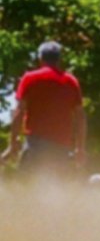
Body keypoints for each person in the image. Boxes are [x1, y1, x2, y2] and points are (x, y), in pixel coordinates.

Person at [9, 42, 84, 179]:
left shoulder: (30, 78)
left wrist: (13, 144)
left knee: (27, 184)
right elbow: (80, 117)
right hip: (62, 144)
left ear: (40, 59)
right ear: (59, 60)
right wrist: (80, 147)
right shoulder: (71, 81)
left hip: (36, 143)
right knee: (56, 186)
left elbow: (19, 112)